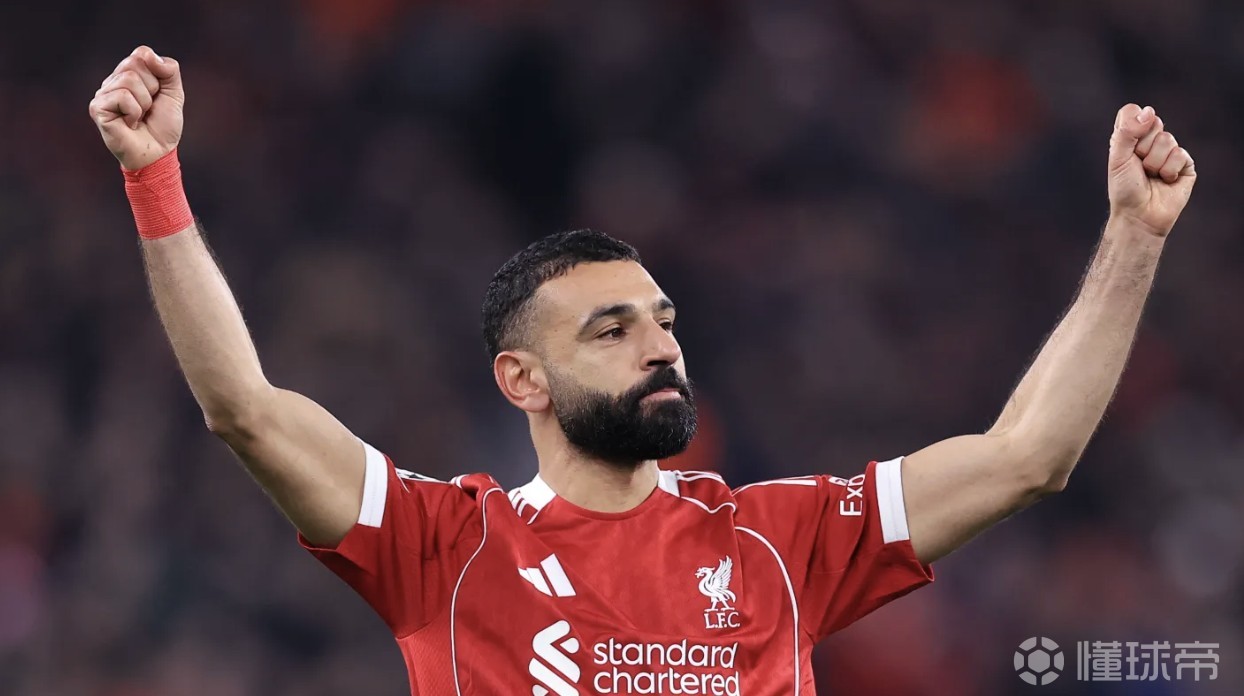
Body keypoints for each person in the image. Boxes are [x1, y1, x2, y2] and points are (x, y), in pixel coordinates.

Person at [88, 46, 1196, 694]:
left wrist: (1134, 238)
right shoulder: (447, 548)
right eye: (610, 331)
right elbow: (244, 410)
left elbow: (1027, 457)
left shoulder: (780, 543)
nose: (661, 345)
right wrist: (155, 179)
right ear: (522, 382)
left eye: (662, 321)